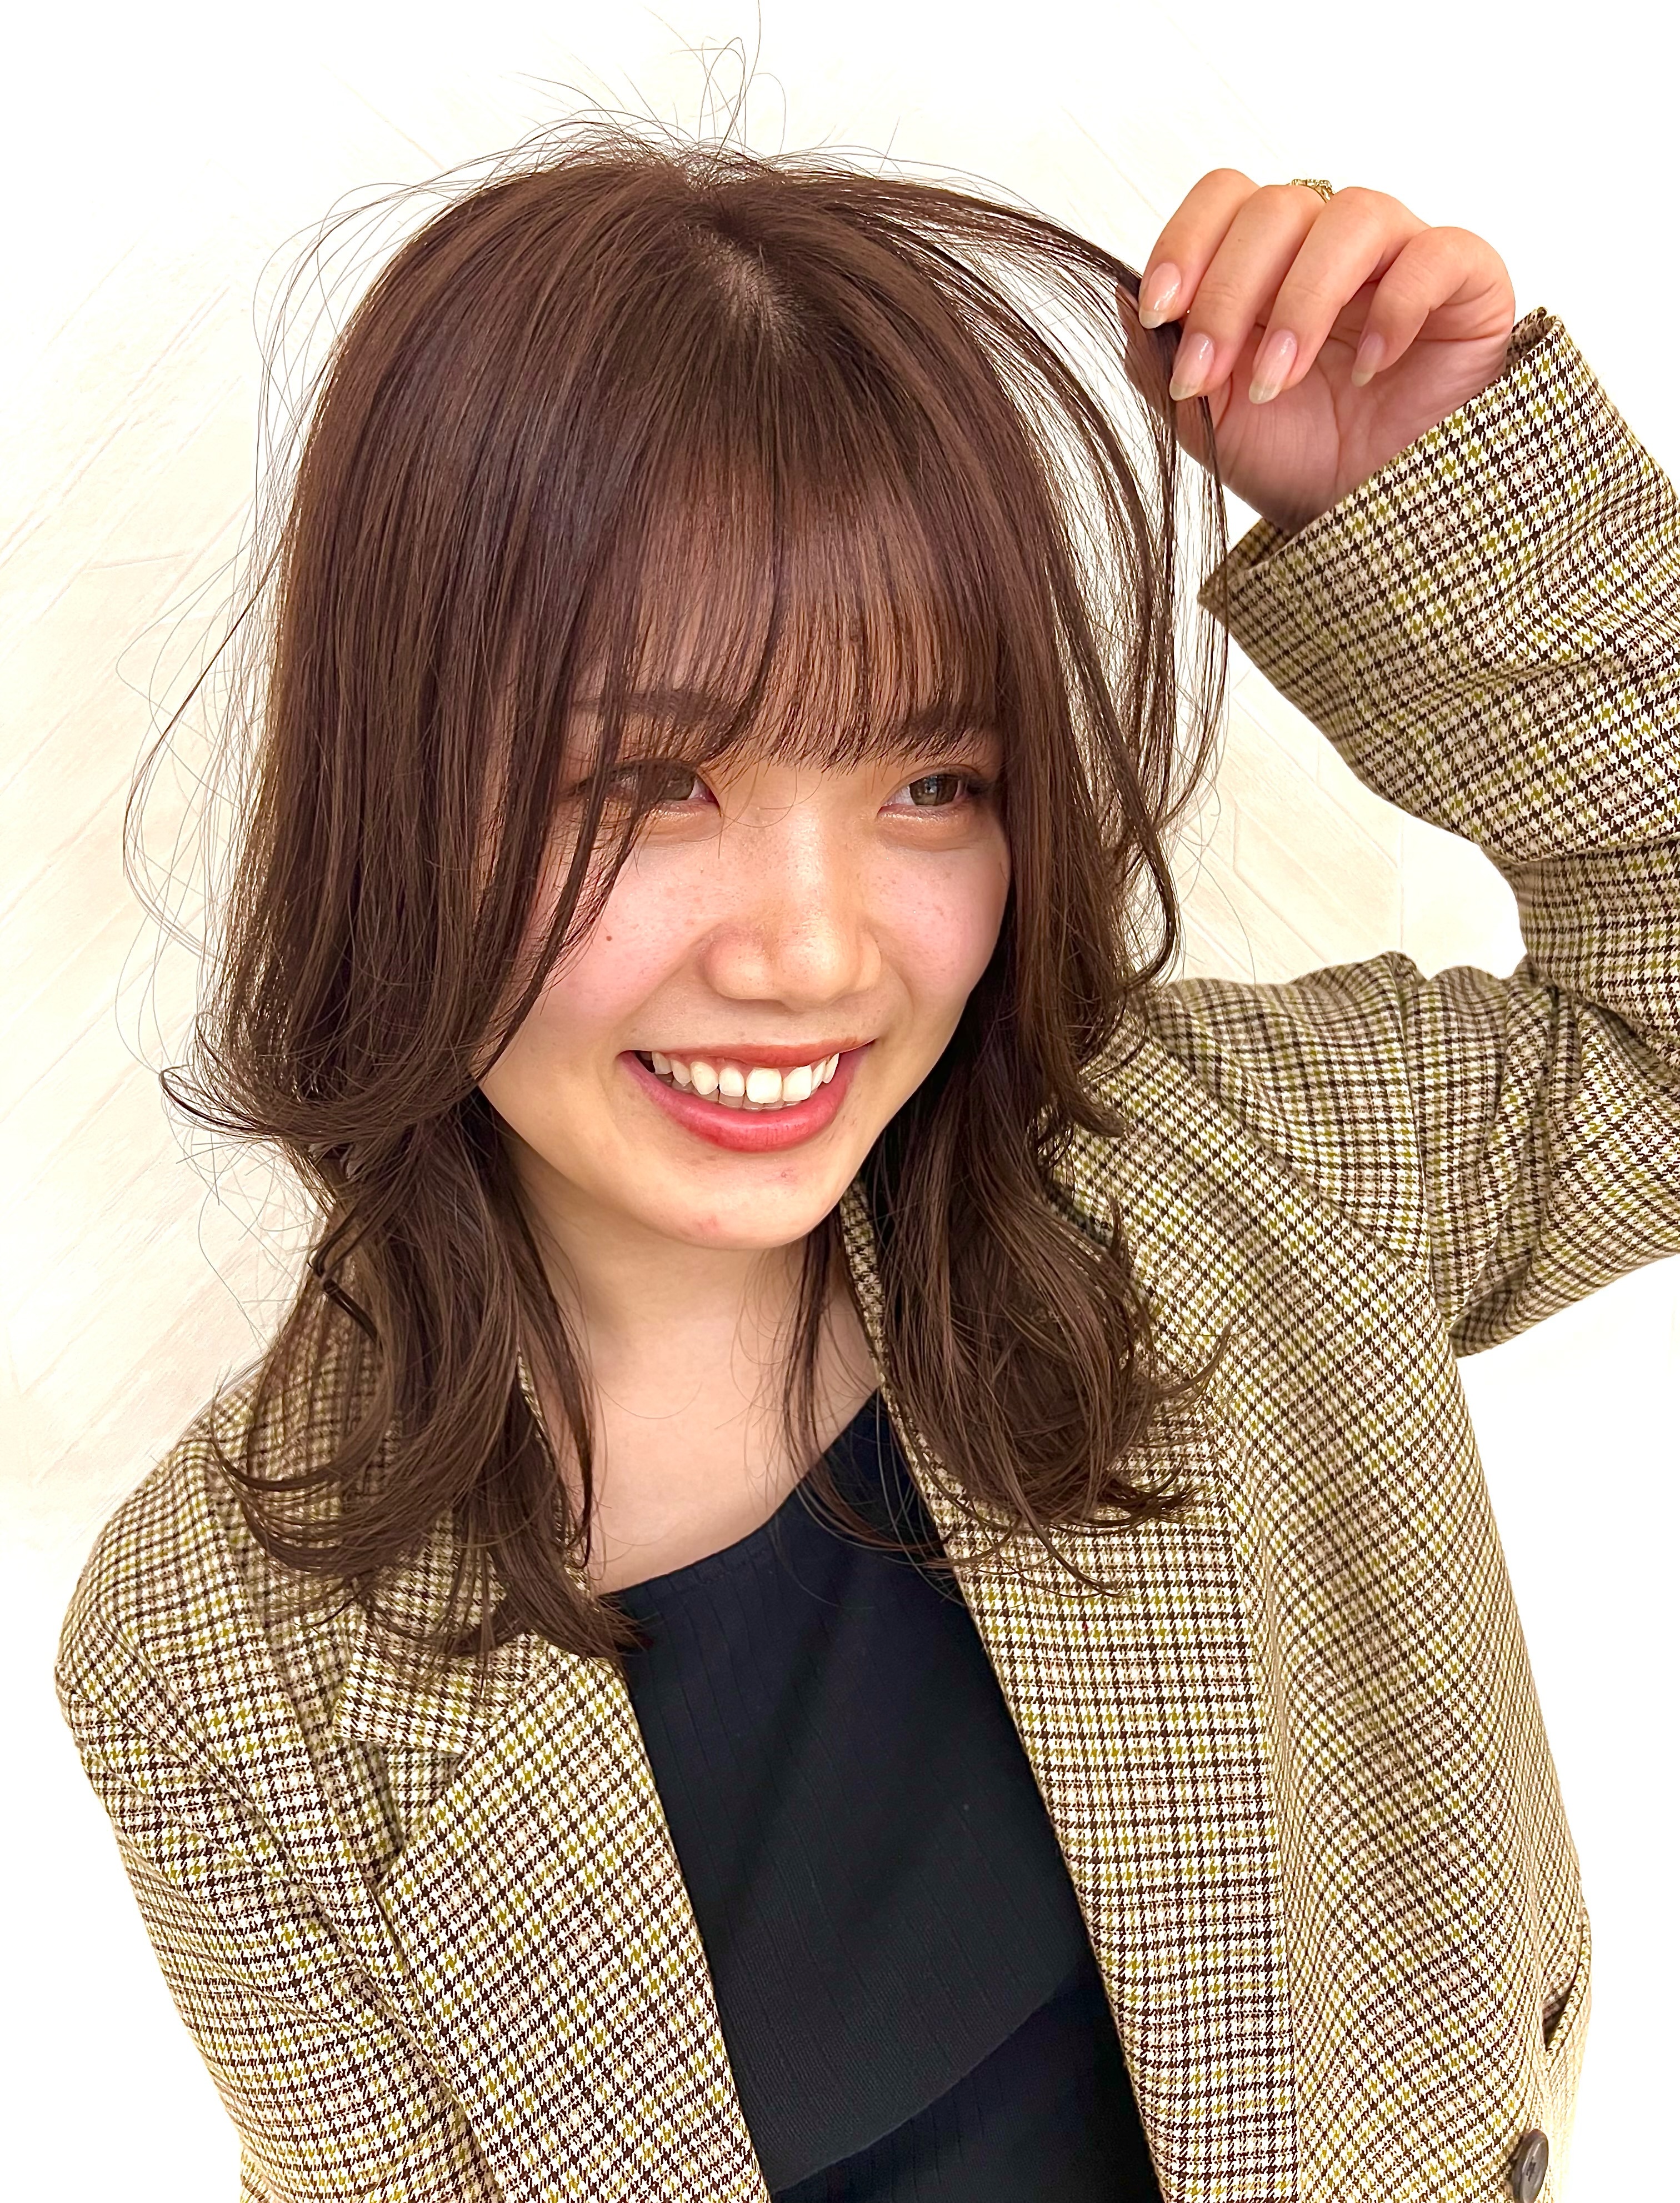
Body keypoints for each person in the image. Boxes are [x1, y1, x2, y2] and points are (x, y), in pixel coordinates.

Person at [56, 130, 1679, 2203]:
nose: (816, 954)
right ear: (397, 796)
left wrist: (1433, 503)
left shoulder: (1221, 1173)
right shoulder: (226, 1660)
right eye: (650, 780)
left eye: (932, 779)